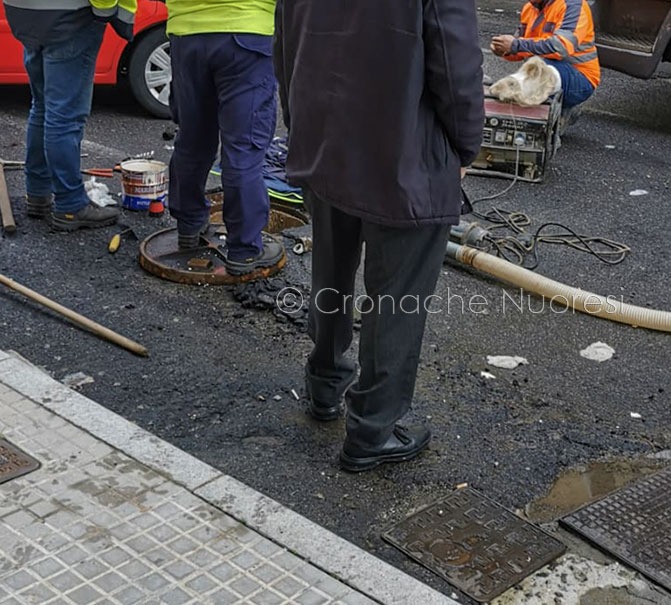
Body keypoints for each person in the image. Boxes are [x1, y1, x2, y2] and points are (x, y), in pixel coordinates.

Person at [277, 0, 484, 472]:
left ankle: (324, 385)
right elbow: (456, 67)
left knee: (330, 271)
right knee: (398, 300)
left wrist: (301, 124)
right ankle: (372, 430)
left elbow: (285, 46)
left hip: (326, 140)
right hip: (402, 155)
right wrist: (466, 145)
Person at [165, 0, 284, 276]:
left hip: (187, 34)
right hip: (246, 31)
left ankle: (189, 223)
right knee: (244, 147)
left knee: (192, 138)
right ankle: (244, 250)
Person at [3, 0, 134, 231]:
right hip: (71, 16)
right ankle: (70, 205)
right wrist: (106, 11)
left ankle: (37, 193)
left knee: (43, 106)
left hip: (23, 14)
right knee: (64, 116)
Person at [491, 0, 600, 120]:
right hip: (543, 69)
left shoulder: (572, 5)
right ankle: (557, 111)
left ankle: (562, 107)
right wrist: (504, 50)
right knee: (533, 74)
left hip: (579, 78)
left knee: (530, 79)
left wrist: (515, 45)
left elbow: (560, 47)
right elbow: (520, 49)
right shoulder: (530, 8)